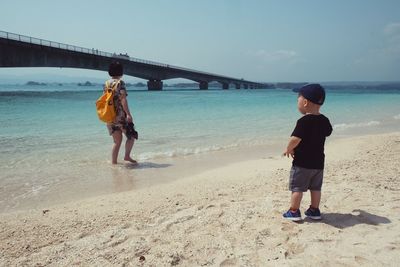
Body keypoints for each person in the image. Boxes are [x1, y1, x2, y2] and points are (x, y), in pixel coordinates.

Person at [282, 83, 332, 221]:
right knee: (316, 188)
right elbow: (328, 132)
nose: (297, 103)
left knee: (297, 188)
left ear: (304, 102)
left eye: (297, 100)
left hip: (302, 163)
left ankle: (293, 211)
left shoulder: (303, 121)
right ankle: (314, 210)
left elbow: (295, 139)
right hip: (318, 163)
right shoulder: (324, 120)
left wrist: (289, 148)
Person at [105, 61, 137, 164]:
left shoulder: (106, 84)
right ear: (121, 72)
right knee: (131, 136)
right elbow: (123, 99)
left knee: (116, 142)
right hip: (120, 116)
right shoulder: (120, 83)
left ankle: (113, 163)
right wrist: (128, 114)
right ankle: (127, 156)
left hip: (110, 116)